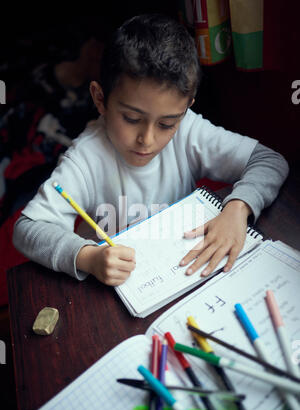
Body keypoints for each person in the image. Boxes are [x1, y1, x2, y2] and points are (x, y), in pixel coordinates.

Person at [13, 14, 289, 287]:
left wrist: (238, 208)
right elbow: (28, 229)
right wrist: (88, 256)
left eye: (167, 123)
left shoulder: (188, 129)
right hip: (117, 287)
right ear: (100, 99)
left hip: (181, 272)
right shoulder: (86, 158)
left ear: (186, 108)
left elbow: (268, 161)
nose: (147, 139)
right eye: (132, 119)